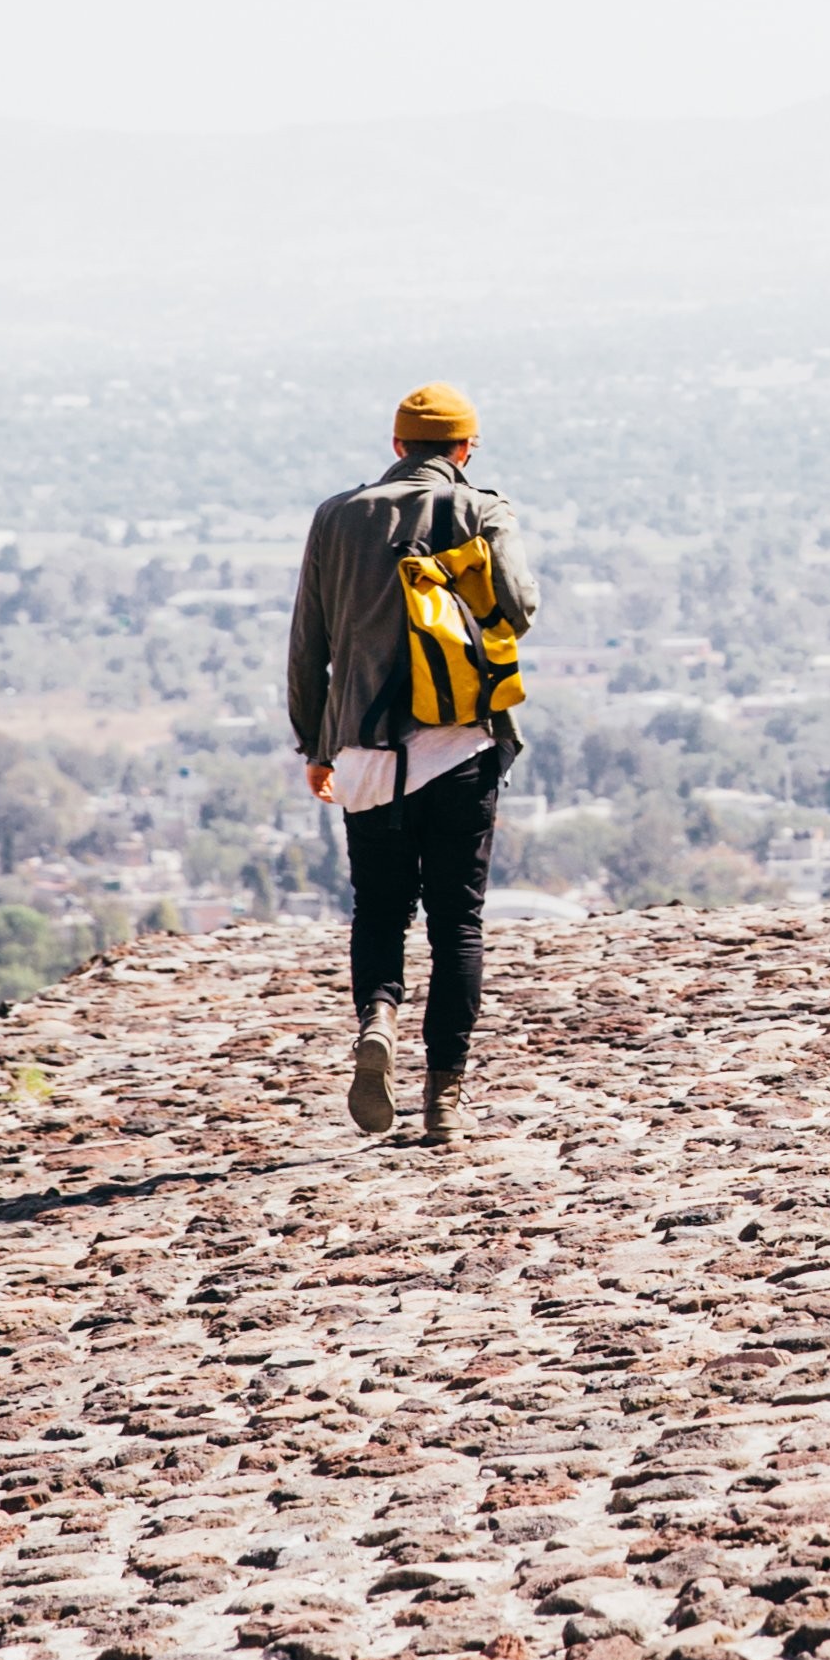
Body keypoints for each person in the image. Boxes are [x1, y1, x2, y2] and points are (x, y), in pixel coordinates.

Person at [284, 381, 537, 1147]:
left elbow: (309, 645)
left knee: (381, 908)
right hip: (459, 742)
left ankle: (379, 1021)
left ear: (397, 447)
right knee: (457, 920)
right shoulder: (482, 509)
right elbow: (520, 607)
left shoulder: (336, 516)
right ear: (464, 450)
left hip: (364, 751)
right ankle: (445, 1100)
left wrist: (314, 745)